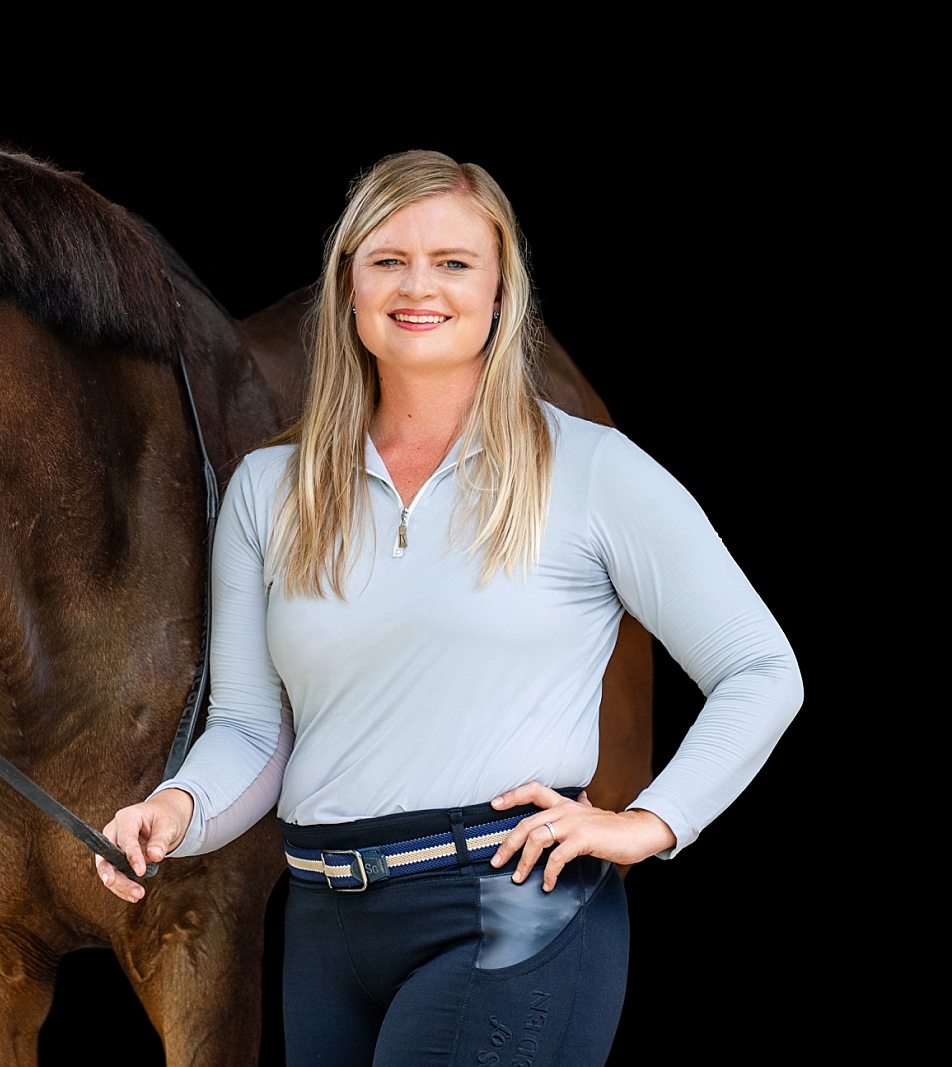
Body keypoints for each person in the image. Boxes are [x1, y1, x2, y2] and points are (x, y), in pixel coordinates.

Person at [94, 150, 802, 1066]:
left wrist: (648, 823)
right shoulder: (269, 490)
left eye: (454, 262)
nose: (417, 285)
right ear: (346, 289)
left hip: (508, 915)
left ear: (501, 292)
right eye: (387, 259)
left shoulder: (591, 471)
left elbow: (760, 669)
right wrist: (178, 806)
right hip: (324, 932)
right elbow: (250, 727)